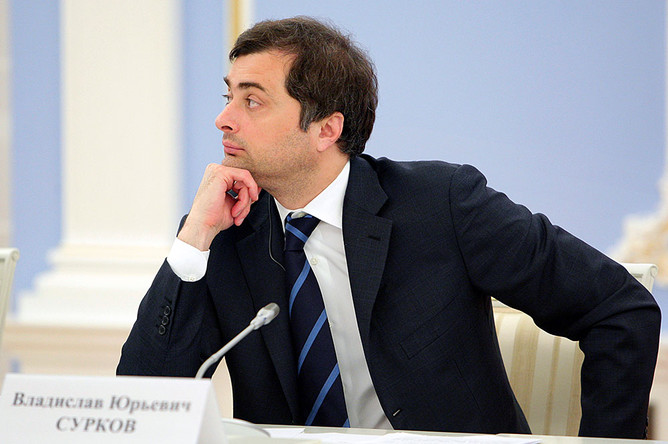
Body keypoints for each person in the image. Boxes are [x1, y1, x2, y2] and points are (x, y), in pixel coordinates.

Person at [117, 16, 660, 438]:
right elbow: (144, 404)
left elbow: (619, 308)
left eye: (252, 100)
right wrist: (193, 240)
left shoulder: (442, 204)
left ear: (326, 129)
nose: (224, 118)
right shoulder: (226, 231)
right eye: (228, 96)